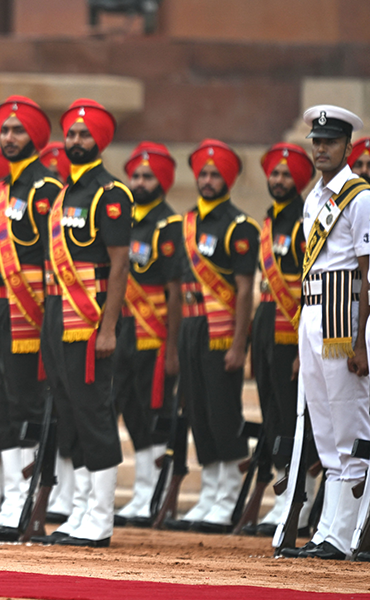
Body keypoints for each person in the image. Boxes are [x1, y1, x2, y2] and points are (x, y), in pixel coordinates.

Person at [31, 99, 132, 547]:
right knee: (69, 412)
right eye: (70, 134)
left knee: (93, 411)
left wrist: (108, 329)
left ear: (100, 141)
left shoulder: (110, 194)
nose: (74, 141)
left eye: (83, 135)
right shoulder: (62, 192)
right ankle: (81, 509)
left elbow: (120, 264)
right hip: (56, 314)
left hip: (89, 319)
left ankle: (101, 517)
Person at [282, 105, 370, 560]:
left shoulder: (360, 197)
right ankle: (327, 533)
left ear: (347, 147)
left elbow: (366, 272)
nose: (321, 149)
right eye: (316, 142)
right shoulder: (312, 198)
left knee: (348, 429)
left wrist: (361, 340)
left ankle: (344, 536)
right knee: (324, 430)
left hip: (343, 315)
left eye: (330, 142)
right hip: (312, 314)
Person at [0, 95, 63, 543]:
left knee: (27, 403)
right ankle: (12, 498)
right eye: (4, 131)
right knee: (3, 406)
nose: (8, 138)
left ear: (36, 138)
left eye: (17, 131)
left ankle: (32, 497)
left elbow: (55, 257)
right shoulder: (0, 189)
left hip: (29, 312)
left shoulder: (47, 189)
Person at [166, 139, 259, 534]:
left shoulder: (239, 227)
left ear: (228, 180)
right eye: (202, 174)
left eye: (214, 174)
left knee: (222, 412)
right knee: (198, 413)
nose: (206, 180)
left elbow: (243, 288)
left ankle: (227, 495)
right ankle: (209, 493)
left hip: (221, 333)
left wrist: (240, 344)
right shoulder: (185, 224)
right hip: (190, 327)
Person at [112, 142, 183, 528]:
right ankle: (140, 492)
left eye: (147, 176)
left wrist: (172, 346)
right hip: (125, 331)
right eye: (135, 175)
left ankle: (152, 491)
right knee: (130, 410)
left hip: (154, 336)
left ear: (163, 182)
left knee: (154, 413)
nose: (138, 182)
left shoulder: (170, 226)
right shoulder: (127, 220)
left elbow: (175, 291)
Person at [247, 142, 318, 536]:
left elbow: (309, 284)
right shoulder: (269, 220)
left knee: (295, 420)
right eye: (274, 173)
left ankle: (299, 502)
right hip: (265, 328)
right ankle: (282, 497)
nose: (278, 180)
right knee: (273, 416)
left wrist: (302, 348)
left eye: (286, 175)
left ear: (300, 180)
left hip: (291, 334)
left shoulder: (303, 220)